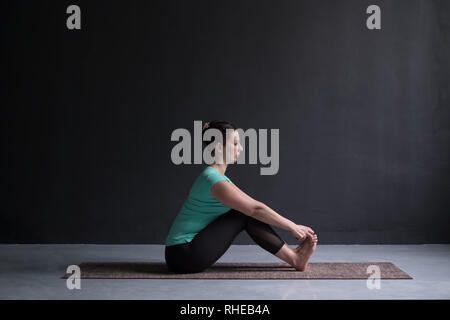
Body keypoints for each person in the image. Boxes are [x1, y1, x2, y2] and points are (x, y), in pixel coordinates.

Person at [165, 120, 318, 273]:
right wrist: (292, 227)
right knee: (243, 213)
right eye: (236, 143)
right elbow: (255, 208)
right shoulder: (213, 180)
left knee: (244, 211)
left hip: (181, 253)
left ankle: (294, 255)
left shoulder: (215, 177)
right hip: (183, 254)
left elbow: (254, 207)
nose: (241, 148)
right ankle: (294, 258)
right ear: (219, 147)